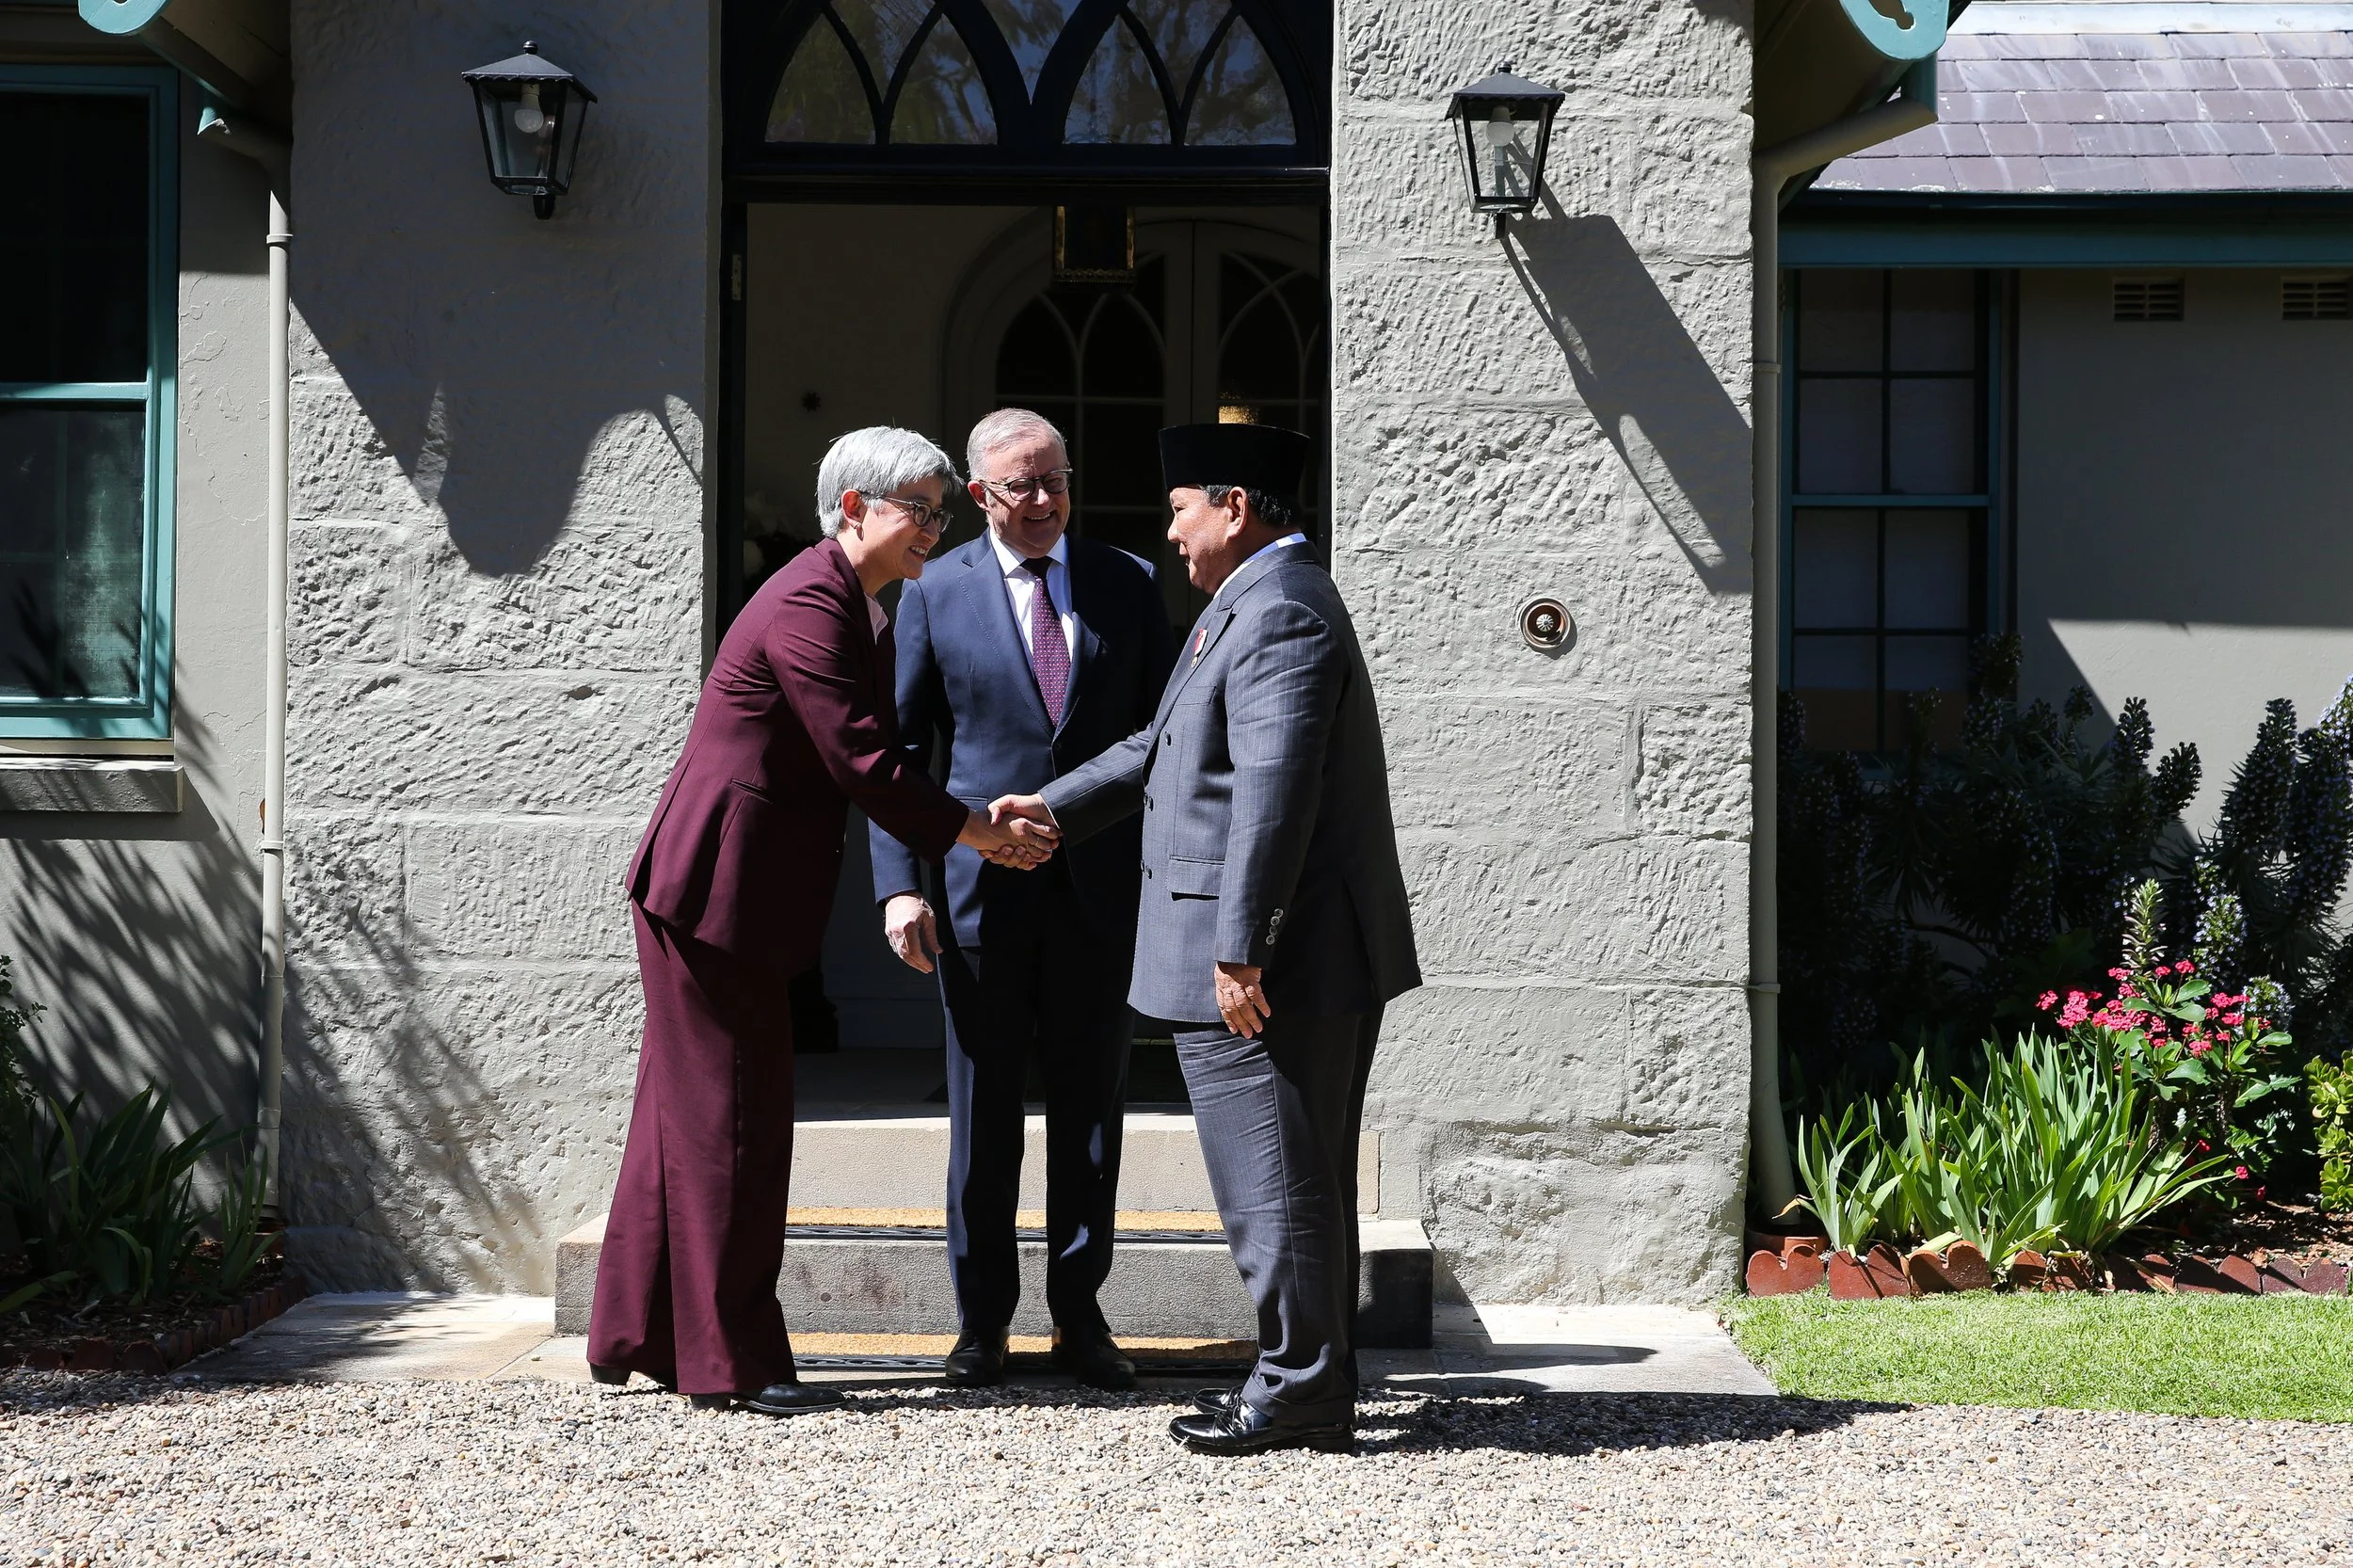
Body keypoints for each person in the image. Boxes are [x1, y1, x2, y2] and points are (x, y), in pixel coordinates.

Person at [588, 426, 1056, 1417]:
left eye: (941, 511)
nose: (936, 527)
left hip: (726, 890)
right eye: (920, 509)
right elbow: (862, 760)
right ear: (855, 509)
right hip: (715, 890)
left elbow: (874, 752)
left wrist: (971, 817)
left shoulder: (855, 601)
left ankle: (639, 1331)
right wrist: (974, 832)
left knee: (688, 1116)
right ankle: (734, 1360)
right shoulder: (810, 599)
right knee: (735, 1123)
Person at [994, 422, 1419, 1455]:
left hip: (1273, 965)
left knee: (1272, 1181)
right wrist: (1052, 807)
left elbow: (1275, 792)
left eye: (1182, 507)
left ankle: (1300, 1386)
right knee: (1291, 1177)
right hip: (1271, 955)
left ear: (1235, 506)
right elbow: (1161, 742)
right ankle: (1309, 1374)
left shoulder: (1281, 611)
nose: (1171, 532)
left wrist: (1243, 948)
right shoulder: (1250, 603)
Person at [870, 408, 1177, 1390]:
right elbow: (899, 755)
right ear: (979, 495)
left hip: (1098, 896)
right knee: (984, 1120)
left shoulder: (1128, 583)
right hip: (976, 902)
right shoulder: (932, 591)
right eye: (1019, 487)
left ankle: (1080, 1320)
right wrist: (898, 888)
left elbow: (1163, 739)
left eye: (1055, 481)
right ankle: (981, 1324)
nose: (1042, 502)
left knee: (1092, 1120)